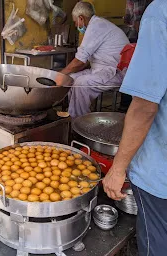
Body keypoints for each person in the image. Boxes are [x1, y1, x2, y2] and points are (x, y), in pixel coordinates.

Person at [102, 1, 167, 255]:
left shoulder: (161, 11)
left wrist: (117, 170)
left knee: (157, 244)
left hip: (161, 174)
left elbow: (144, 107)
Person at [61, 2, 129, 118]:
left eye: (75, 22)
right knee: (71, 78)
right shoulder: (96, 25)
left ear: (81, 18)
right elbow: (84, 60)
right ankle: (73, 114)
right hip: (101, 70)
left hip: (116, 72)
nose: (76, 25)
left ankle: (79, 123)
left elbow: (79, 61)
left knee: (81, 84)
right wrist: (66, 75)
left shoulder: (96, 26)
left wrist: (58, 75)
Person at [119, 0, 153, 111]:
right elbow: (136, 21)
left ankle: (126, 107)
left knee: (131, 73)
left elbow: (129, 20)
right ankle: (127, 107)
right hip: (139, 39)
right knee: (134, 74)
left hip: (136, 38)